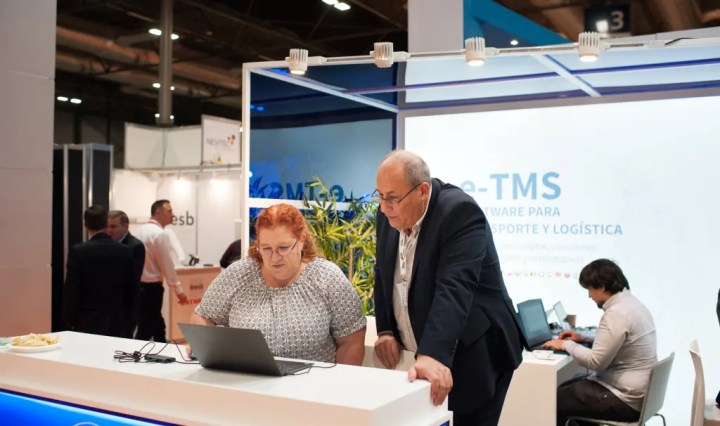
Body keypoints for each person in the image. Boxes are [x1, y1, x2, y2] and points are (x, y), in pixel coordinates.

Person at [373, 150, 526, 425]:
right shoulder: (387, 213)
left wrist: (432, 354)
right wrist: (385, 330)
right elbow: (383, 270)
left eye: (392, 198)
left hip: (476, 350)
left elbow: (455, 286)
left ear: (422, 190)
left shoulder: (459, 211)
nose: (384, 207)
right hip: (428, 352)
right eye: (380, 196)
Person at [190, 203, 366, 364]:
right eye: (266, 248)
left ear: (301, 240)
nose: (274, 258)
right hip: (248, 382)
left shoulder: (326, 277)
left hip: (312, 384)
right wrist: (204, 348)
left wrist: (338, 384)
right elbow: (203, 316)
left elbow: (352, 341)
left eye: (283, 248)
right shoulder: (240, 274)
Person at [543, 259, 657, 426]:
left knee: (551, 401)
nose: (589, 296)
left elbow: (595, 362)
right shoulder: (633, 304)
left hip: (624, 399)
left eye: (590, 289)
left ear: (602, 286)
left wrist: (565, 344)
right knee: (566, 388)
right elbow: (622, 342)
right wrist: (584, 339)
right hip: (638, 395)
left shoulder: (616, 313)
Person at [63, 205, 139, 338]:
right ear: (106, 224)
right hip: (119, 321)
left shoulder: (78, 251)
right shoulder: (126, 251)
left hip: (87, 322)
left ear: (85, 226)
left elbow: (72, 290)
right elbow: (133, 290)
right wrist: (130, 322)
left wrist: (69, 321)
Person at [134, 200, 188, 342]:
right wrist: (178, 290)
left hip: (138, 287)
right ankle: (136, 352)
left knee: (156, 326)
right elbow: (166, 264)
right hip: (152, 289)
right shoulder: (159, 234)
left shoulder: (138, 231)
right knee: (146, 329)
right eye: (169, 211)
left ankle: (163, 349)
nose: (173, 215)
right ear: (158, 212)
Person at [108, 210, 145, 284]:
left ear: (126, 227)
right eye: (107, 226)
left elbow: (133, 278)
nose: (109, 230)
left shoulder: (135, 246)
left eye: (113, 226)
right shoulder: (107, 244)